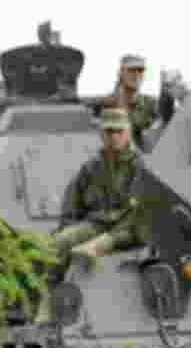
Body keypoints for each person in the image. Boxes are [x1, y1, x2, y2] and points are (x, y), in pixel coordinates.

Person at [51, 108, 143, 269]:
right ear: (101, 134)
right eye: (109, 131)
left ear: (128, 133)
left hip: (128, 230)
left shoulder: (141, 167)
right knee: (58, 243)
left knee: (92, 248)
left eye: (119, 131)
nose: (114, 136)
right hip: (97, 225)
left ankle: (95, 247)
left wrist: (110, 238)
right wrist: (67, 229)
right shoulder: (92, 167)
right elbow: (72, 204)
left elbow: (142, 212)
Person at [103, 54, 175, 151]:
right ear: (121, 73)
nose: (136, 75)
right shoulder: (106, 104)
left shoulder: (152, 105)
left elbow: (164, 130)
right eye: (131, 70)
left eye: (140, 70)